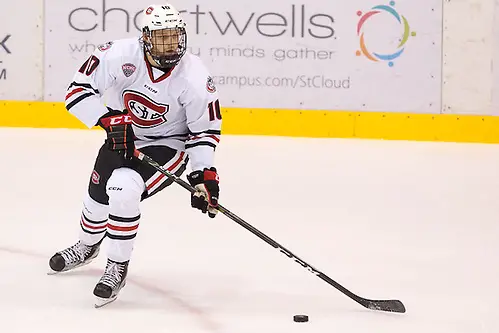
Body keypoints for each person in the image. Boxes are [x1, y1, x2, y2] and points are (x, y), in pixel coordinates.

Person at [48, 3, 222, 308]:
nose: (170, 45)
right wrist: (107, 119)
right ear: (145, 37)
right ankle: (87, 247)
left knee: (123, 188)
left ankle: (117, 266)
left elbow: (204, 132)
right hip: (123, 135)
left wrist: (203, 174)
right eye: (161, 36)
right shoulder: (117, 55)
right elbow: (76, 91)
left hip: (168, 145)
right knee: (97, 194)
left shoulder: (195, 77)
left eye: (174, 36)